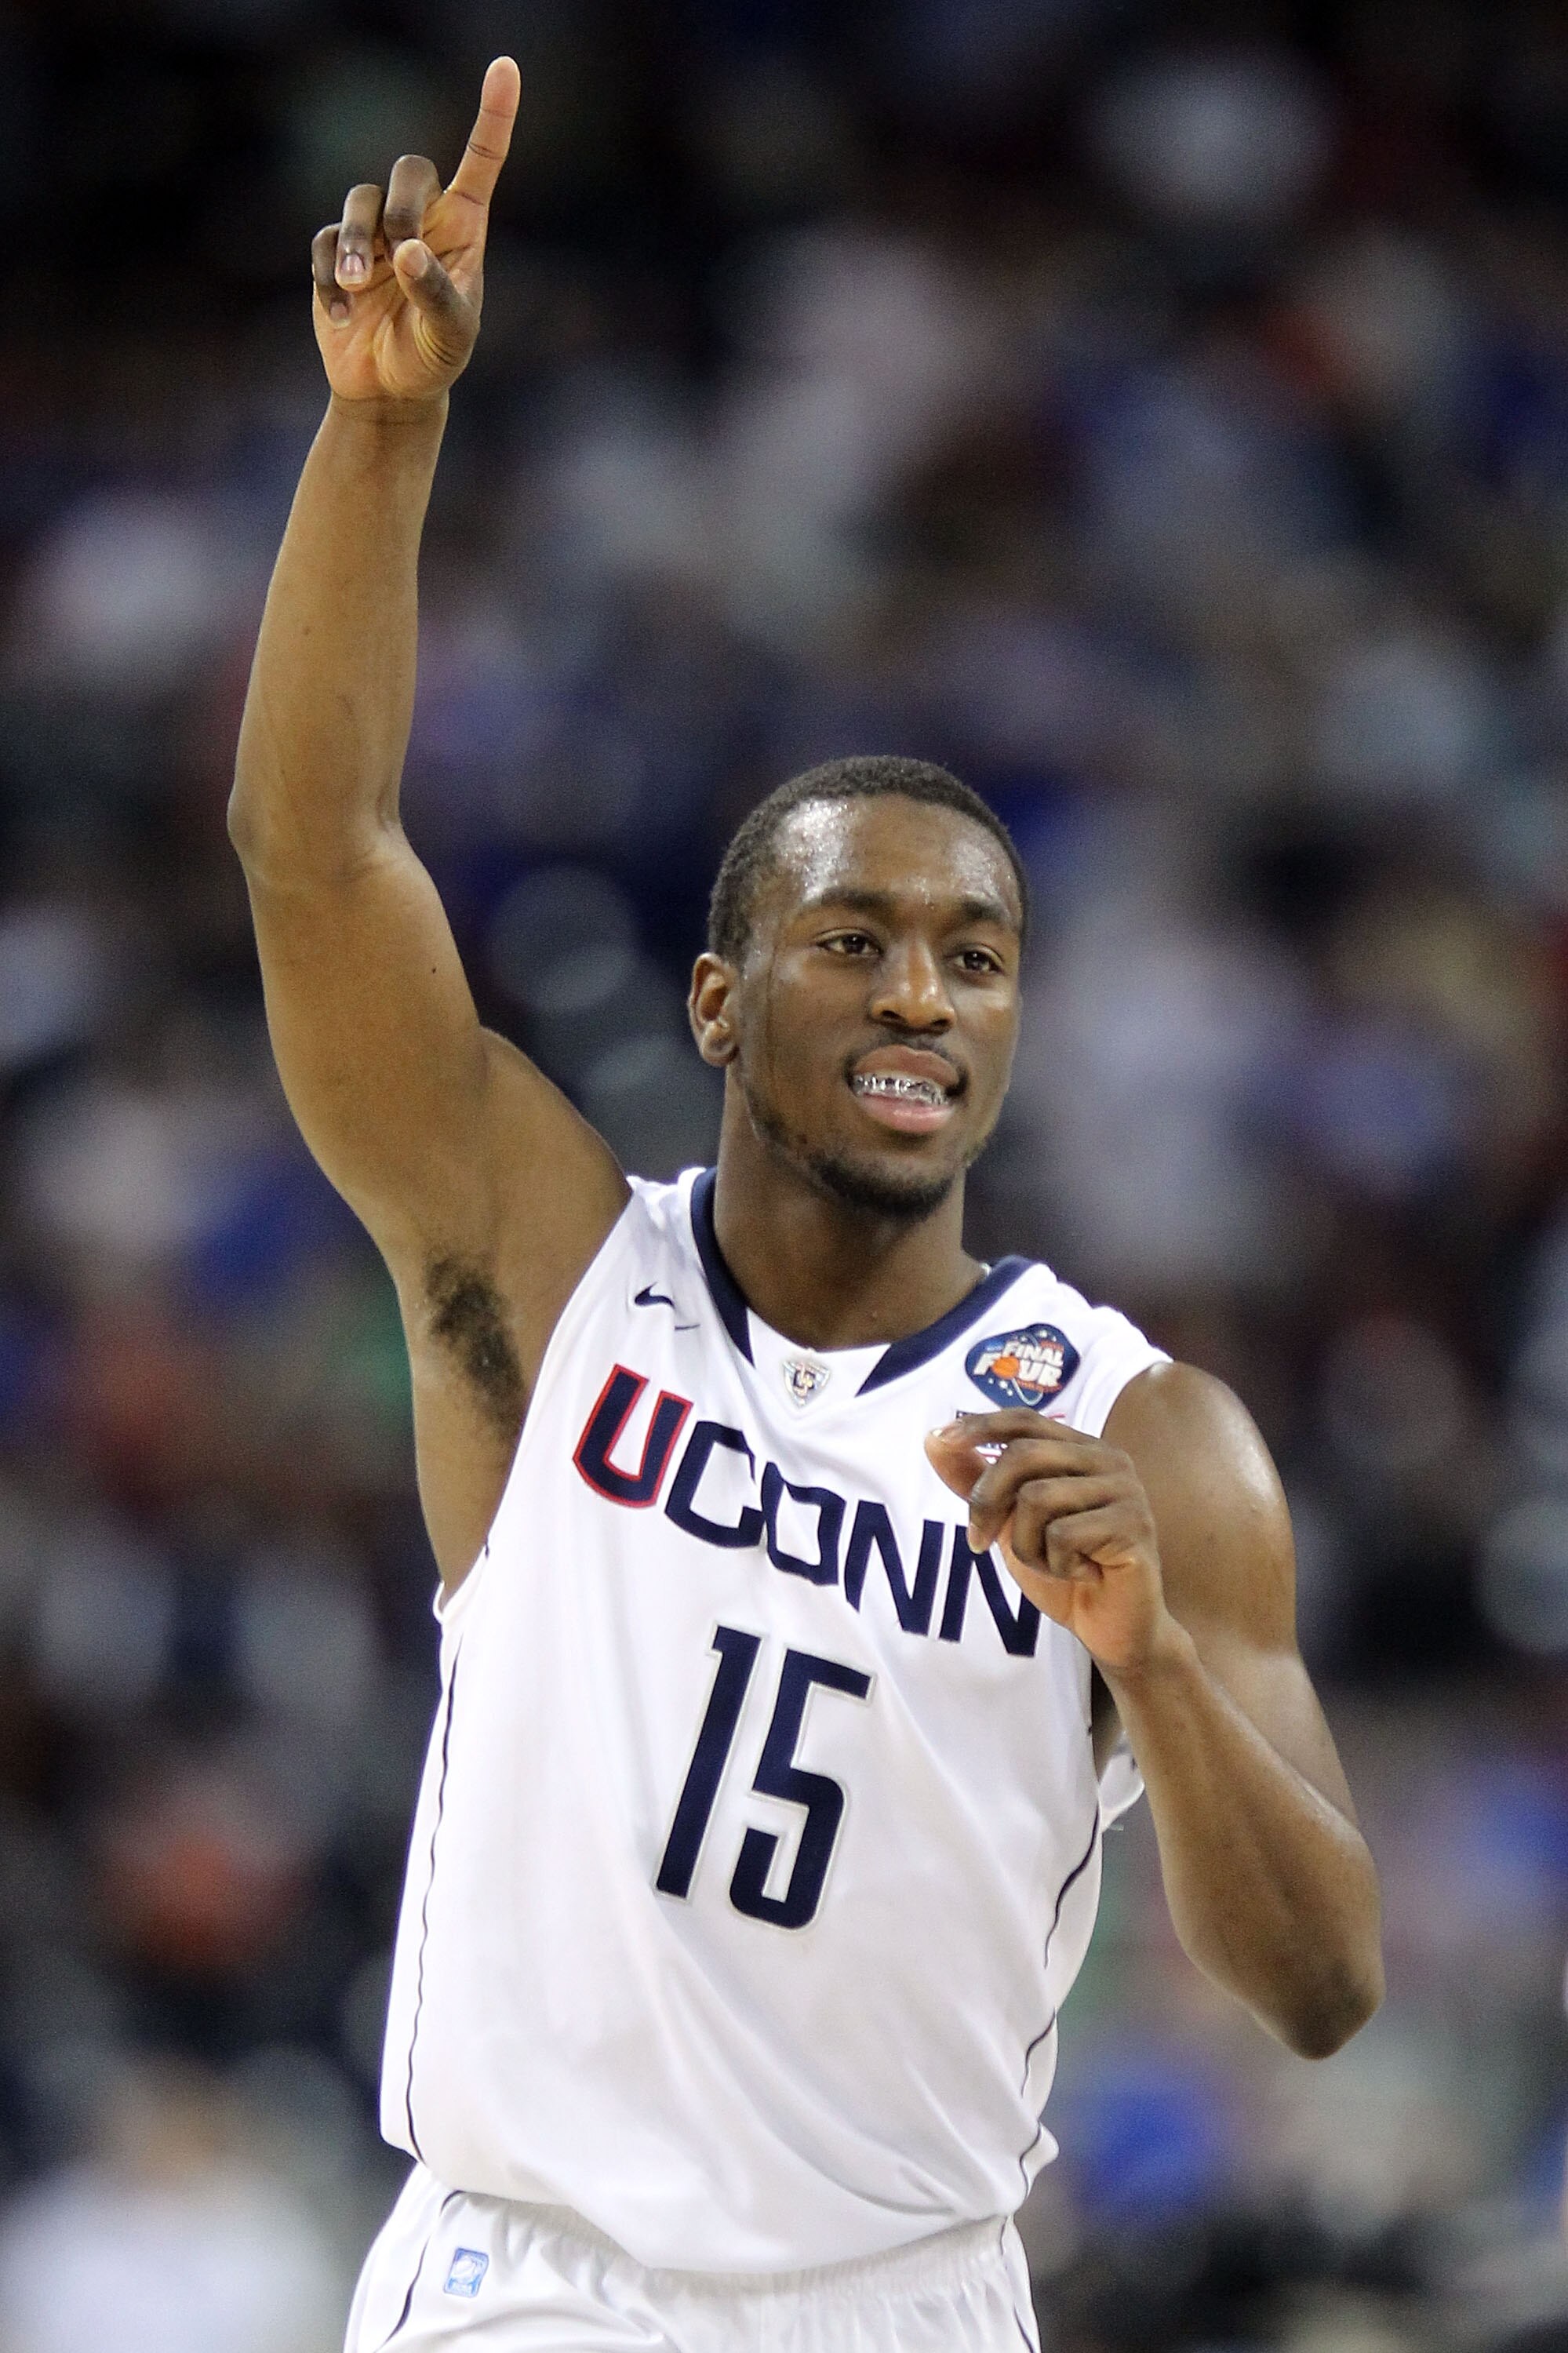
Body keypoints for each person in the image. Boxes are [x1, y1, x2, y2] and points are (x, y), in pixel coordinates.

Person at [229, 58, 1384, 2352]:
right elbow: (318, 859)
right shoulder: (556, 1278)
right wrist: (381, 434)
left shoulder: (1151, 1444)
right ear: (721, 998)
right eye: (854, 938)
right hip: (526, 2277)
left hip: (908, 2299)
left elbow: (1327, 1986)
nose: (921, 993)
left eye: (977, 954)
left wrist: (1144, 1662)